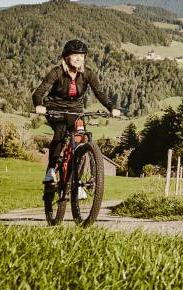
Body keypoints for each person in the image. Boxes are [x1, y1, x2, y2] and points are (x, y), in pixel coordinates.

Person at [32, 39, 121, 184]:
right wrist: (38, 105)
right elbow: (39, 92)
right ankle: (51, 170)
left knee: (81, 138)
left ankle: (77, 183)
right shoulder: (57, 72)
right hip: (55, 108)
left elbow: (100, 92)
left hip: (75, 109)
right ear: (66, 57)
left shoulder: (88, 74)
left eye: (82, 56)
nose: (79, 59)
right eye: (75, 55)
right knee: (60, 131)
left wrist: (112, 107)